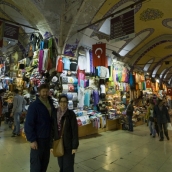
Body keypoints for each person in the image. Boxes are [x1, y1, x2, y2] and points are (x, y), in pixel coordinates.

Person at [25, 84, 54, 172]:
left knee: (45, 163)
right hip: (38, 139)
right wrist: (32, 140)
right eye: (43, 91)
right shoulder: (34, 106)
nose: (45, 93)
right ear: (39, 92)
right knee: (36, 165)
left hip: (48, 138)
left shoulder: (51, 103)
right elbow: (29, 123)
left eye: (46, 91)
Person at [50, 95, 79, 172]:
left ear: (67, 103)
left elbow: (74, 131)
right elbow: (52, 130)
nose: (63, 104)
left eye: (65, 102)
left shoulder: (70, 114)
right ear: (59, 103)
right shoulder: (55, 113)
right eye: (61, 102)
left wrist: (74, 146)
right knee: (61, 166)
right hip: (58, 143)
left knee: (68, 166)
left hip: (68, 145)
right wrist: (51, 145)